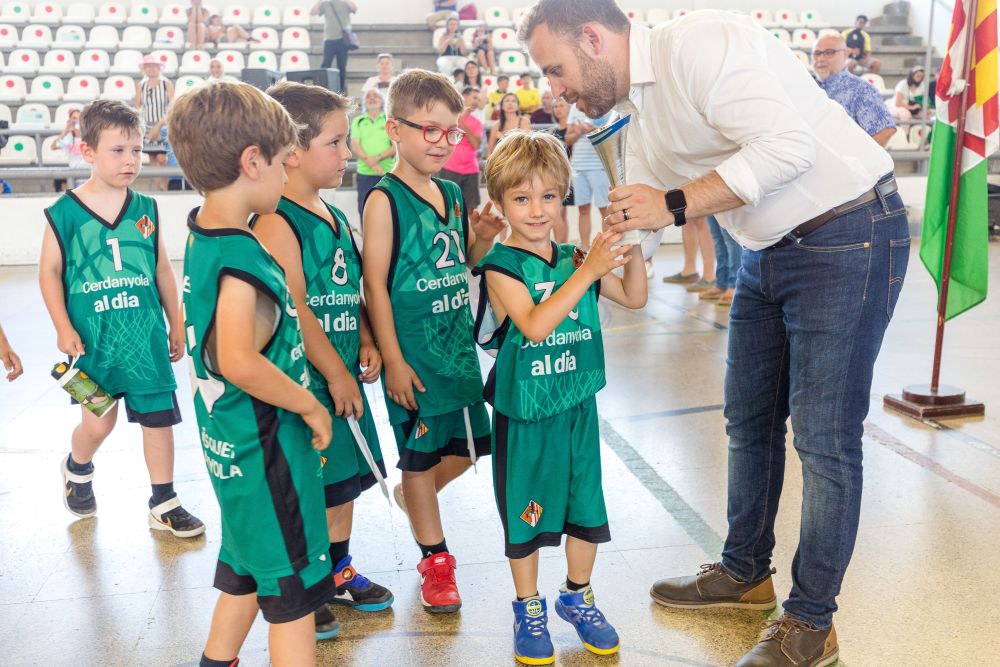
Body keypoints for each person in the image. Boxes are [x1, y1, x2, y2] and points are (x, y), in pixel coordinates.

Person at [523, 3, 908, 666]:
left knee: (823, 438)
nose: (555, 88)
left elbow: (789, 147)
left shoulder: (700, 45)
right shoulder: (631, 107)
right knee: (748, 419)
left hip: (847, 231)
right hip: (766, 248)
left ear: (592, 38)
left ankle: (812, 621)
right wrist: (577, 266)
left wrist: (670, 205)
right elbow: (639, 206)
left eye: (555, 69)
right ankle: (744, 571)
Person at [169, 80, 335, 666]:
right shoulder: (242, 257)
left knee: (245, 569)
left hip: (232, 451)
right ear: (252, 161)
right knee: (293, 602)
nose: (290, 176)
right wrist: (310, 405)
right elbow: (237, 358)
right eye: (285, 162)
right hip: (267, 456)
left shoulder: (203, 233)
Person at [473, 131, 647, 664]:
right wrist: (589, 269)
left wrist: (630, 241)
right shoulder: (501, 265)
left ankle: (577, 595)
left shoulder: (575, 255)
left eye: (548, 196)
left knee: (585, 506)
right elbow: (534, 325)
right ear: (499, 204)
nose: (536, 209)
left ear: (562, 198)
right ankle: (528, 605)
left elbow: (635, 297)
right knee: (525, 515)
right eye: (521, 199)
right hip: (525, 413)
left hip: (576, 405)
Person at [254, 81, 395, 638]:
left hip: (342, 382)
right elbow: (297, 308)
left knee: (343, 485)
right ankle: (306, 581)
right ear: (292, 148)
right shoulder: (276, 220)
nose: (348, 153)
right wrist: (335, 373)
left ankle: (337, 568)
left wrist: (362, 335)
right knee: (309, 489)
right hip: (307, 386)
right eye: (336, 143)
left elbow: (347, 288)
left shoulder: (333, 211)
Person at [362, 69, 506, 613]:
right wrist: (393, 359)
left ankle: (411, 495)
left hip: (456, 351)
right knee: (420, 459)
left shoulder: (449, 190)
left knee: (472, 449)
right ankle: (434, 558)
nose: (444, 142)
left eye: (453, 133)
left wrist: (484, 239)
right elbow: (374, 284)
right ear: (395, 130)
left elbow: (464, 263)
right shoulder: (385, 199)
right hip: (415, 357)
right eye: (431, 130)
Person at [38, 99, 203, 538]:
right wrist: (62, 326)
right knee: (99, 421)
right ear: (88, 151)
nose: (131, 160)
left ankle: (164, 499)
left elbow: (163, 269)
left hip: (146, 340)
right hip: (93, 345)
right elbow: (49, 272)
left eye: (136, 150)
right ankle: (77, 467)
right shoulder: (65, 213)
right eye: (118, 150)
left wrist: (175, 321)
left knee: (159, 419)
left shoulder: (146, 208)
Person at [812, 34, 896, 147]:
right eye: (817, 53)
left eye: (829, 52)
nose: (821, 58)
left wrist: (856, 162)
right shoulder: (808, 87)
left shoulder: (861, 89)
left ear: (846, 54)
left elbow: (885, 131)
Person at [565, 104, 610, 249]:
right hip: (578, 166)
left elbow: (612, 135)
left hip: (599, 166)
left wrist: (595, 130)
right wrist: (578, 132)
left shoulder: (606, 105)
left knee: (604, 209)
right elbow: (568, 139)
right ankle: (585, 249)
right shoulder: (574, 108)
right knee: (583, 209)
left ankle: (607, 247)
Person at [351, 88, 396, 219]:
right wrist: (372, 164)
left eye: (375, 95)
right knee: (365, 210)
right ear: (364, 102)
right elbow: (355, 145)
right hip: (365, 174)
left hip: (386, 172)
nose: (371, 98)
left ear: (382, 101)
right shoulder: (358, 121)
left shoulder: (389, 121)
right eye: (368, 96)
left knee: (389, 212)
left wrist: (376, 159)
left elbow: (395, 147)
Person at [440, 85, 484, 213]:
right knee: (449, 207)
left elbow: (476, 145)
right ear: (463, 97)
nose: (476, 101)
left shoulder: (477, 123)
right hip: (450, 167)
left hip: (471, 169)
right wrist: (458, 118)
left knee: (470, 209)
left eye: (478, 99)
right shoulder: (449, 117)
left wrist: (461, 122)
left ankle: (466, 233)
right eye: (474, 97)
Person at [134, 54, 174, 190]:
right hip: (147, 126)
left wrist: (163, 122)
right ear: (144, 69)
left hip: (163, 125)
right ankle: (157, 187)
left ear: (159, 68)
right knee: (153, 159)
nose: (151, 69)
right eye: (148, 66)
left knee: (163, 158)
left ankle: (166, 185)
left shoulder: (166, 84)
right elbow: (137, 106)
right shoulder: (141, 85)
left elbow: (172, 105)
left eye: (154, 66)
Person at [312, 0, 358, 95]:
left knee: (342, 66)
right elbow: (312, 12)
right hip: (329, 39)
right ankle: (322, 89)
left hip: (342, 39)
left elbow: (355, 8)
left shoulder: (345, 3)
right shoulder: (325, 4)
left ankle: (340, 92)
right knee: (325, 64)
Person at [702, 215, 741, 307]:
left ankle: (735, 286)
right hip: (709, 201)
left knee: (731, 239)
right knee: (717, 237)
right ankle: (721, 283)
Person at [550, 97, 574, 243]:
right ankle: (561, 246)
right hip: (556, 176)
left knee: (560, 214)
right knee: (559, 214)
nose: (558, 109)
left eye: (561, 105)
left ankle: (561, 247)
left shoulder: (574, 129)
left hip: (570, 175)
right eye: (556, 106)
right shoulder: (553, 132)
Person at [486, 92, 531, 158]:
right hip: (501, 161)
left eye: (513, 101)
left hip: (520, 160)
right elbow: (489, 151)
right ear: (501, 105)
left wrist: (502, 138)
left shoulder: (524, 121)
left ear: (518, 106)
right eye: (507, 101)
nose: (510, 103)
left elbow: (526, 146)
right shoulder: (496, 125)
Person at [50, 108, 86, 190]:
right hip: (75, 178)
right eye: (74, 118)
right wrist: (66, 130)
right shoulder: (68, 138)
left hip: (88, 176)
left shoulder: (89, 137)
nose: (76, 121)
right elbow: (53, 146)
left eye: (78, 118)